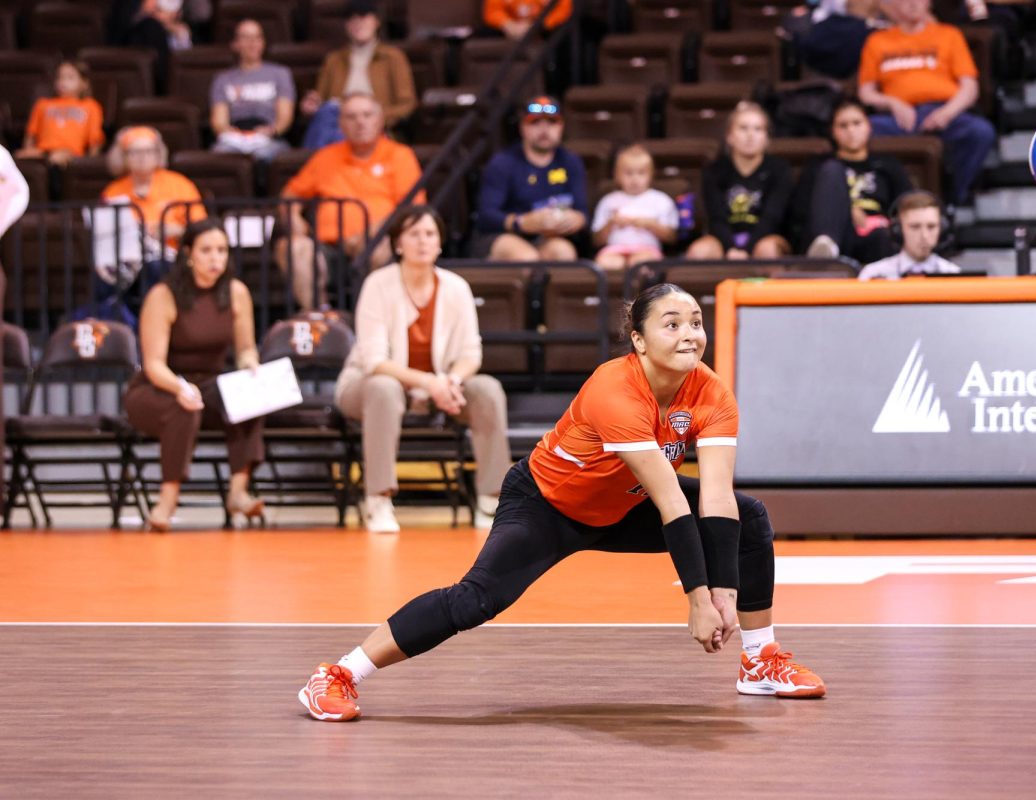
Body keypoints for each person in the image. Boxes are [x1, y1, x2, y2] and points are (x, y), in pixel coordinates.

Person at [298, 282, 827, 722]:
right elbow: (673, 504)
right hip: (548, 505)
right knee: (475, 600)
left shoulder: (712, 394)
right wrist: (696, 598)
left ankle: (759, 661)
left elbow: (714, 498)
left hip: (621, 503)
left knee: (751, 516)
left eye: (695, 321)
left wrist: (726, 594)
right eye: (672, 323)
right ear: (639, 341)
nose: (689, 333)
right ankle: (339, 674)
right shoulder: (613, 389)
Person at [335, 206, 511, 533]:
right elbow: (374, 361)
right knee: (384, 388)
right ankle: (378, 499)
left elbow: (471, 353)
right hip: (367, 386)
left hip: (439, 387)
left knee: (486, 389)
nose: (423, 241)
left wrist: (452, 381)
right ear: (398, 243)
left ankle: (491, 498)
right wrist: (432, 383)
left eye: (430, 234)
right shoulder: (378, 284)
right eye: (413, 234)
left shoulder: (456, 287)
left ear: (440, 243)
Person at [123, 219, 265, 532]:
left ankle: (238, 493)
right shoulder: (164, 295)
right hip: (158, 386)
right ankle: (167, 501)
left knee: (250, 396)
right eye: (207, 250)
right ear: (188, 253)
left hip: (208, 383)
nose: (216, 258)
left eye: (222, 251)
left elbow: (245, 348)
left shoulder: (236, 292)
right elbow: (154, 364)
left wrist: (250, 363)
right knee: (184, 407)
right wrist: (180, 387)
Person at [275, 93, 425, 311]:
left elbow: (412, 209)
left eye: (367, 115)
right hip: (327, 247)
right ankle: (320, 317)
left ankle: (375, 318)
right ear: (341, 124)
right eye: (351, 117)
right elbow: (291, 194)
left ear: (380, 120)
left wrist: (372, 232)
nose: (360, 122)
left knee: (380, 248)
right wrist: (293, 217)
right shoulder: (325, 157)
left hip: (378, 242)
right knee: (293, 247)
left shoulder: (400, 156)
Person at [857, 0, 995, 206]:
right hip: (896, 119)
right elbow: (866, 92)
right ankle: (888, 200)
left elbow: (970, 88)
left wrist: (947, 113)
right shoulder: (877, 41)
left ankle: (952, 200)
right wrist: (893, 103)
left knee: (980, 132)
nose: (912, 4)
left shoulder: (948, 34)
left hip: (943, 112)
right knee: (861, 134)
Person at [473, 96, 588, 261]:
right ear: (522, 128)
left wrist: (576, 219)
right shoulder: (503, 163)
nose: (544, 129)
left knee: (563, 252)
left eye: (551, 122)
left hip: (550, 236)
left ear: (561, 127)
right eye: (535, 123)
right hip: (503, 235)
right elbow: (486, 215)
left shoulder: (570, 161)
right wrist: (521, 222)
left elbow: (583, 211)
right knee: (526, 257)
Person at [803, 97, 912, 263]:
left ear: (869, 126)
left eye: (857, 123)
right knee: (831, 169)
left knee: (882, 237)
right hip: (837, 234)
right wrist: (847, 210)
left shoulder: (887, 164)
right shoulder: (819, 166)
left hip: (878, 234)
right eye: (843, 125)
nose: (851, 131)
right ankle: (826, 250)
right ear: (833, 131)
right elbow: (800, 210)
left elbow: (907, 203)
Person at [299, 0, 418, 149]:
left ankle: (317, 165)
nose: (357, 23)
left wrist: (373, 118)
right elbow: (321, 101)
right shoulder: (333, 60)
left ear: (376, 22)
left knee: (339, 132)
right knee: (328, 111)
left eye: (363, 17)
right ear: (346, 25)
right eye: (352, 19)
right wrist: (311, 106)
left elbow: (407, 104)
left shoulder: (393, 57)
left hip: (374, 125)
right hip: (337, 120)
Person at [100, 126, 206, 286]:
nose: (142, 157)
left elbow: (202, 228)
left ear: (158, 154)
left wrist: (175, 230)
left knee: (156, 267)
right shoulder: (113, 191)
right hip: (127, 260)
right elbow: (105, 234)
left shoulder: (180, 184)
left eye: (149, 151)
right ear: (123, 156)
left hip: (170, 257)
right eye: (134, 152)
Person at [687, 101, 793, 261]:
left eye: (758, 129)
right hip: (723, 239)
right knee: (699, 251)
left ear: (766, 138)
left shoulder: (780, 169)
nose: (750, 135)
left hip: (765, 237)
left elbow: (772, 217)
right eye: (743, 128)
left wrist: (748, 250)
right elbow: (716, 218)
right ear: (730, 136)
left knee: (768, 250)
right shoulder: (714, 170)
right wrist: (730, 248)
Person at [209, 19, 295, 163]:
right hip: (235, 138)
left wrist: (271, 130)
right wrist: (231, 133)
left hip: (268, 137)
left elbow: (285, 116)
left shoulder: (280, 74)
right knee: (219, 154)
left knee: (266, 155)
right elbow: (219, 121)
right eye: (246, 38)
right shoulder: (223, 79)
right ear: (235, 44)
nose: (252, 43)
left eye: (257, 37)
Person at [591, 144, 679, 272]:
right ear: (617, 176)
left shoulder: (661, 200)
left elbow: (671, 237)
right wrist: (611, 223)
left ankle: (640, 292)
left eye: (641, 173)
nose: (635, 178)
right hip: (614, 250)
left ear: (651, 175)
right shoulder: (608, 201)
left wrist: (650, 224)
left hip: (647, 250)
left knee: (640, 264)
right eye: (628, 173)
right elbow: (597, 240)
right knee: (605, 264)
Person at [16, 60, 105, 167]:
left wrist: (89, 164)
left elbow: (95, 140)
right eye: (60, 77)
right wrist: (28, 151)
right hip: (41, 153)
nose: (63, 82)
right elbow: (30, 134)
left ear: (84, 83)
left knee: (57, 158)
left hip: (71, 154)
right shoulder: (42, 104)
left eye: (70, 78)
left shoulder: (91, 106)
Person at [858, 188, 960, 279]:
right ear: (898, 229)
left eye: (931, 227)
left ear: (942, 229)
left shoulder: (953, 274)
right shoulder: (873, 274)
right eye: (915, 227)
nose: (924, 236)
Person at [483, 0, 574, 39]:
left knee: (568, 32)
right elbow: (492, 11)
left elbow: (565, 10)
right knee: (482, 33)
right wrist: (508, 24)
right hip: (512, 28)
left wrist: (540, 25)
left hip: (544, 28)